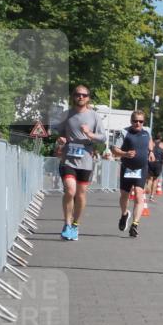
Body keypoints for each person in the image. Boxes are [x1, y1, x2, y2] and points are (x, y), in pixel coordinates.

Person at [53, 85, 105, 241]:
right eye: (77, 94)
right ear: (73, 96)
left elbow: (103, 138)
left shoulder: (94, 116)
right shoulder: (66, 115)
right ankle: (67, 223)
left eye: (84, 95)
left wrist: (90, 134)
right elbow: (58, 132)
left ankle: (75, 224)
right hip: (68, 158)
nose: (80, 97)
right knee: (70, 190)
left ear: (88, 98)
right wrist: (60, 138)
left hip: (86, 160)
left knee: (80, 194)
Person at [111, 111, 152, 238]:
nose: (138, 123)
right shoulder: (124, 132)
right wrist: (125, 154)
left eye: (141, 121)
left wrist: (151, 151)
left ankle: (135, 225)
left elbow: (150, 142)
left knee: (140, 196)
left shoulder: (147, 131)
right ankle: (124, 214)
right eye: (135, 121)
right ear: (131, 121)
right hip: (127, 168)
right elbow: (114, 149)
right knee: (124, 196)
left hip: (141, 169)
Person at [146, 133, 163, 199]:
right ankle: (152, 196)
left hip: (150, 162)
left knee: (150, 178)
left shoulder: (151, 143)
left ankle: (147, 190)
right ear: (161, 138)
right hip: (158, 162)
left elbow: (147, 151)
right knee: (155, 179)